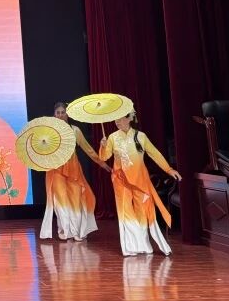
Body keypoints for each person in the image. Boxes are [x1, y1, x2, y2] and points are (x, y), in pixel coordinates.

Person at [99, 112, 181, 257]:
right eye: (115, 119)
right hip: (120, 180)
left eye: (120, 118)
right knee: (125, 210)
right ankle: (131, 246)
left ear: (129, 118)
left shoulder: (140, 136)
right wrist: (103, 146)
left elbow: (155, 154)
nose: (117, 122)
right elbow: (104, 157)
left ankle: (142, 244)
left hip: (140, 179)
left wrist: (169, 169)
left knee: (142, 211)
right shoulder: (112, 137)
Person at [41, 101, 109, 242]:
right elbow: (43, 153)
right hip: (55, 170)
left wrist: (102, 163)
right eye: (58, 113)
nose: (60, 115)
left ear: (67, 114)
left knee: (76, 200)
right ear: (54, 115)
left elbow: (88, 149)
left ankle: (77, 231)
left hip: (73, 170)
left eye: (63, 112)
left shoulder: (75, 130)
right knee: (61, 201)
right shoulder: (48, 132)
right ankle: (65, 231)